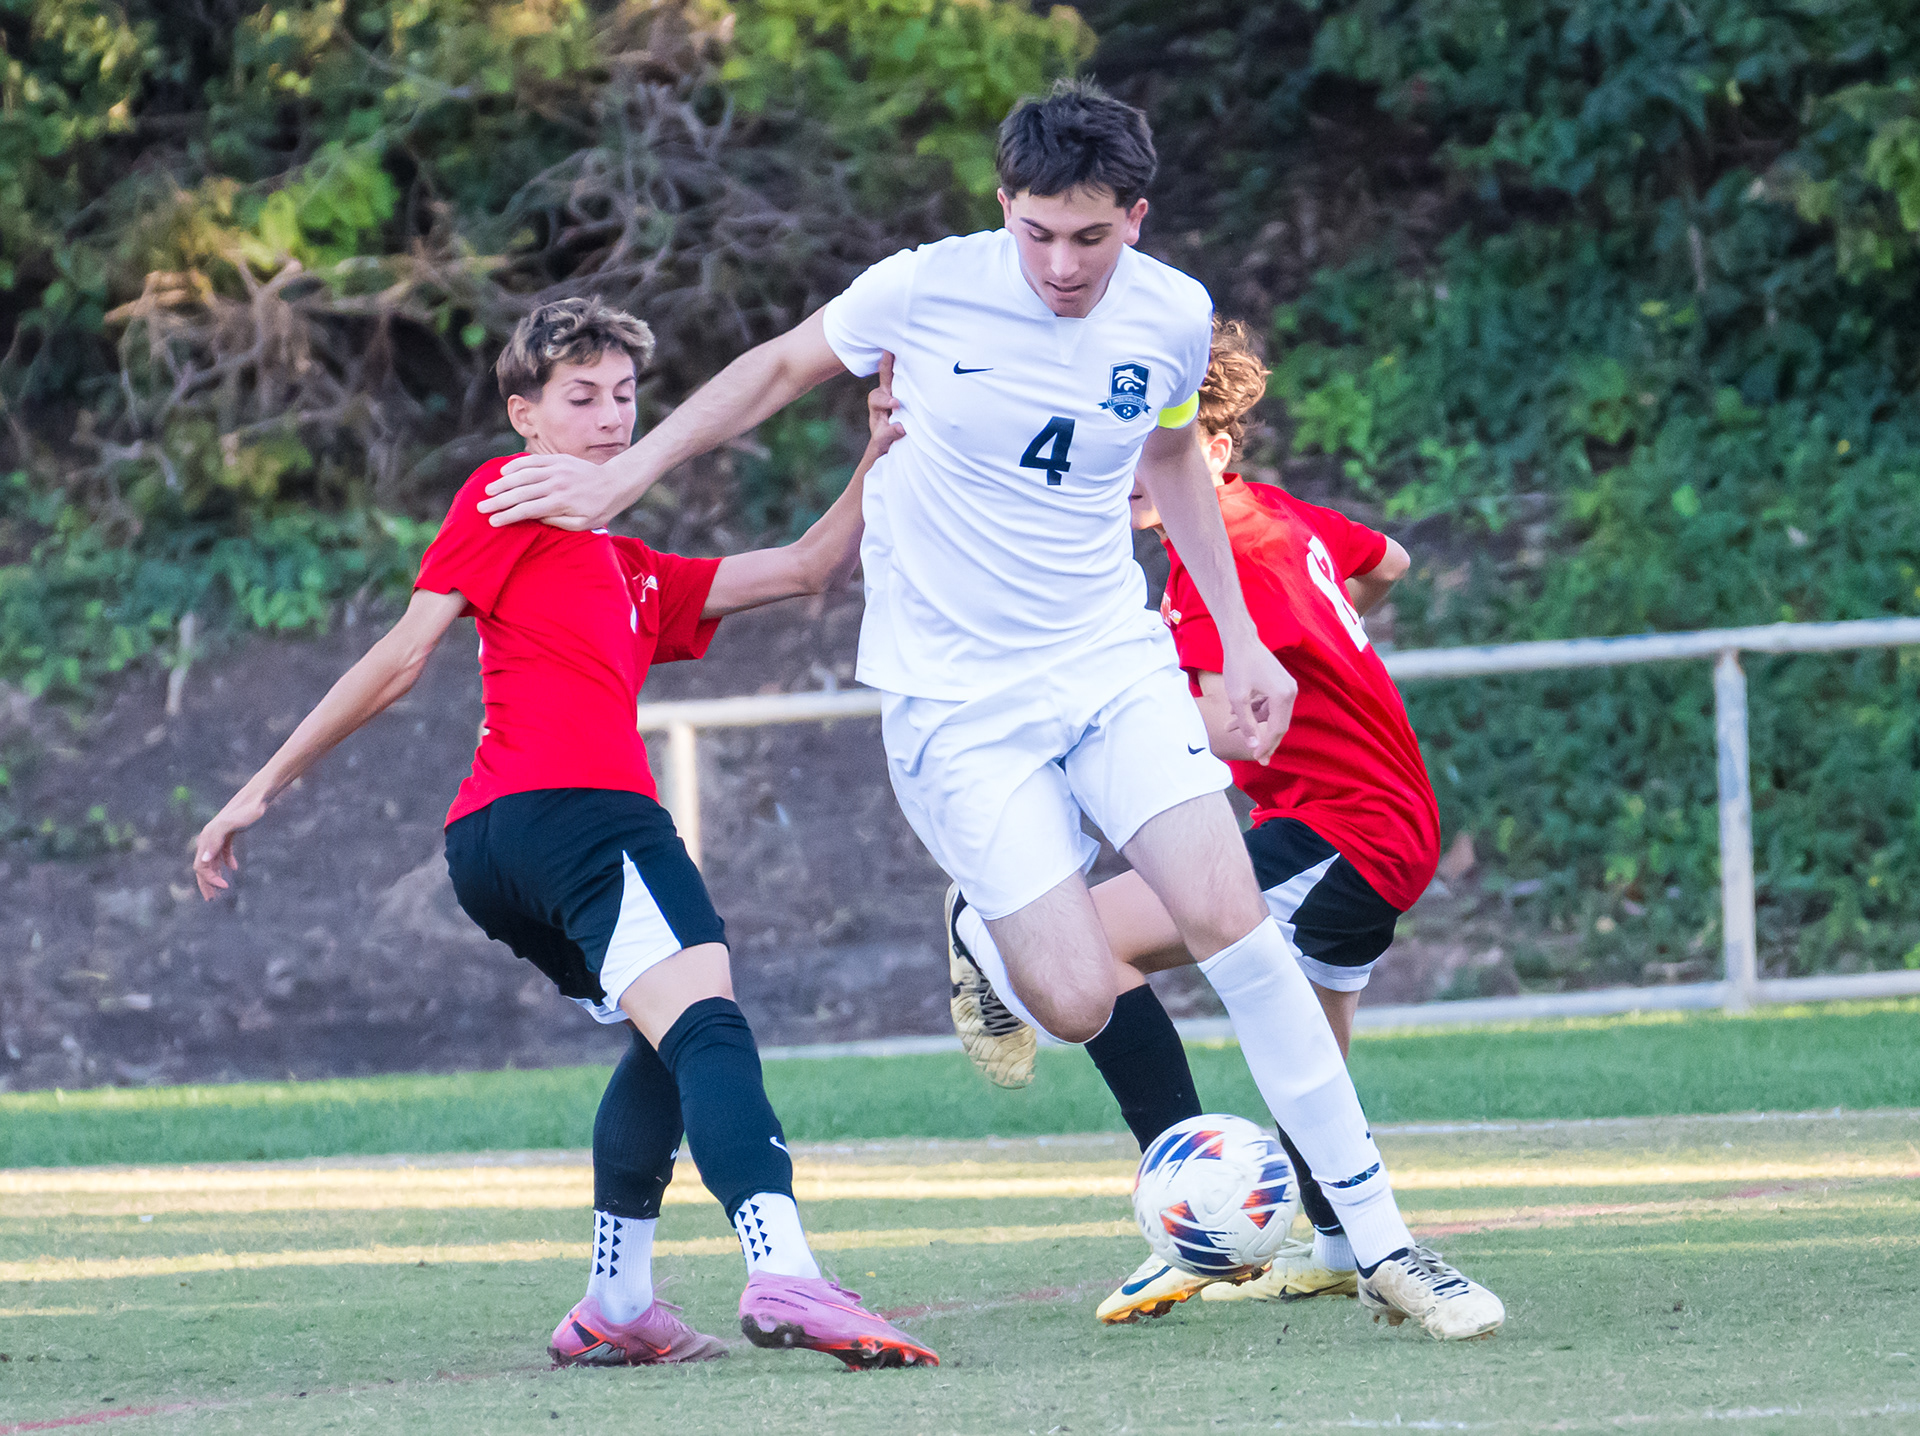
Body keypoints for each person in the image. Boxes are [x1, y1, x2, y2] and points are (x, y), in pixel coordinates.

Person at [475, 83, 1502, 1341]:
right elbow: (779, 364)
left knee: (1235, 922)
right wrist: (631, 470)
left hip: (1106, 661)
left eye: (1091, 236)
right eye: (1038, 233)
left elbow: (1173, 455)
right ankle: (996, 932)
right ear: (1003, 205)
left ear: (1136, 217)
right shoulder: (923, 288)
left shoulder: (1172, 314)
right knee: (1070, 996)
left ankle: (1387, 1244)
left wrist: (1238, 636)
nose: (1062, 265)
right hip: (956, 701)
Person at [190, 298, 938, 1372]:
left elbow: (805, 567)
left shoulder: (629, 567)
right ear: (524, 416)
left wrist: (880, 451)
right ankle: (784, 1268)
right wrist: (261, 785)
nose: (611, 418)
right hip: (580, 817)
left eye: (624, 396)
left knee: (666, 1036)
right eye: (581, 397)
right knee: (711, 1028)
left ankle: (616, 1303)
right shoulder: (509, 494)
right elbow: (401, 656)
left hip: (498, 848)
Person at [947, 320, 1456, 1325]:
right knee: (1310, 1054)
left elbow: (1236, 728)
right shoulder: (1276, 517)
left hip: (1339, 827)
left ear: (1211, 448)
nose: (1130, 470)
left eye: (1155, 447)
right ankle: (1340, 1242)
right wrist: (1333, 639)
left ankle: (1186, 1207)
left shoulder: (1224, 562)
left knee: (1091, 942)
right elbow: (1389, 559)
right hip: (1386, 820)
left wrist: (1108, 705)